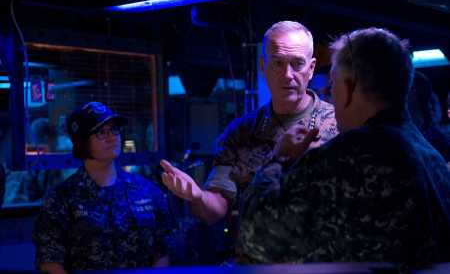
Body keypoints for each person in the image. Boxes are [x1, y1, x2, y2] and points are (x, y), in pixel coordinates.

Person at [238, 28, 450, 272]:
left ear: (349, 87)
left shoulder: (347, 156)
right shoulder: (432, 159)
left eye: (332, 84)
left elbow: (254, 237)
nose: (330, 95)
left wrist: (280, 158)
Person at [160, 21, 338, 227]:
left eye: (297, 63)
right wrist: (198, 196)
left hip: (322, 255)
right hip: (259, 253)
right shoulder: (241, 133)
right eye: (277, 63)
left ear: (311, 68)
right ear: (263, 66)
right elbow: (216, 209)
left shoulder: (338, 124)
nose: (287, 74)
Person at [33, 101, 173, 274]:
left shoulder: (147, 191)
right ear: (82, 142)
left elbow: (163, 250)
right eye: (101, 132)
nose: (112, 137)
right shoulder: (61, 199)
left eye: (114, 130)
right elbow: (50, 261)